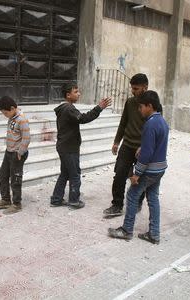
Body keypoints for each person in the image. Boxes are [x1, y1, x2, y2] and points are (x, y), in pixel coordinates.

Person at [108, 90, 169, 244]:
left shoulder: (149, 124)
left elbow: (147, 153)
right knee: (153, 198)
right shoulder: (162, 121)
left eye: (141, 107)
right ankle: (154, 234)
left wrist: (137, 173)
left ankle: (127, 230)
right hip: (160, 168)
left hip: (149, 170)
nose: (139, 110)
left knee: (132, 195)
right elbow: (155, 145)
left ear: (149, 106)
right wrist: (143, 148)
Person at [50, 82, 111, 209]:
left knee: (65, 173)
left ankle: (56, 199)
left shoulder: (65, 108)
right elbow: (84, 118)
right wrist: (99, 107)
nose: (79, 94)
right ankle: (74, 201)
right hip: (69, 148)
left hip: (64, 146)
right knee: (75, 175)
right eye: (76, 92)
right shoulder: (69, 109)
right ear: (68, 95)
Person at [103, 73, 150, 217]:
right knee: (119, 175)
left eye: (136, 88)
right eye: (132, 88)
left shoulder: (152, 104)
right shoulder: (129, 102)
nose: (133, 91)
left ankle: (137, 201)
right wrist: (117, 142)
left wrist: (146, 146)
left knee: (139, 178)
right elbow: (123, 122)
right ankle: (117, 204)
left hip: (142, 148)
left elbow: (155, 127)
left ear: (145, 87)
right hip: (127, 145)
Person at [0, 96, 30, 214]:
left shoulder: (22, 119)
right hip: (9, 152)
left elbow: (27, 138)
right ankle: (5, 199)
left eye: (5, 112)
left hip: (17, 154)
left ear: (12, 108)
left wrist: (20, 152)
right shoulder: (12, 117)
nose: (4, 115)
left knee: (15, 179)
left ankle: (17, 204)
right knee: (2, 175)